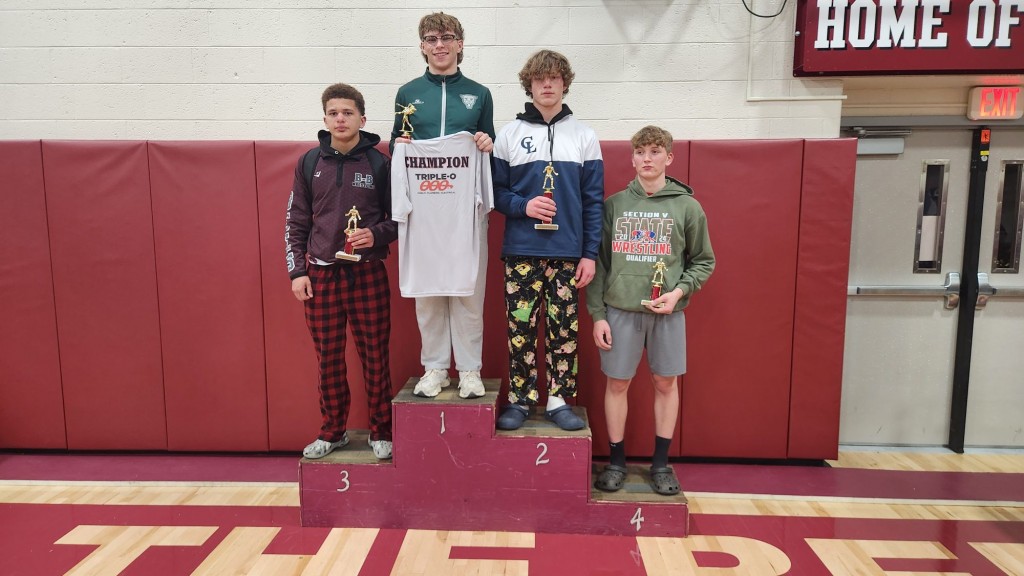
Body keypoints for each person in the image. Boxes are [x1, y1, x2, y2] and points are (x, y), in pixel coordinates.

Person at [587, 125, 716, 495]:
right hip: (620, 311)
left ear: (669, 158)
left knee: (665, 383)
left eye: (655, 152)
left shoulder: (688, 207)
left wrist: (678, 293)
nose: (647, 159)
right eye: (641, 152)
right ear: (632, 159)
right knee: (617, 383)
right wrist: (598, 315)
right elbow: (598, 264)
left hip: (667, 313)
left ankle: (661, 464)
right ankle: (616, 461)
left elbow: (703, 261)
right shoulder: (614, 206)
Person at [492, 50, 604, 431]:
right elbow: (496, 194)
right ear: (529, 84)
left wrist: (589, 254)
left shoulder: (585, 136)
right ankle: (520, 399)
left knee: (564, 331)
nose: (547, 84)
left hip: (568, 254)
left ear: (564, 83)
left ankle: (559, 400)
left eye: (554, 78)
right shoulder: (509, 135)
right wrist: (525, 206)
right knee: (520, 328)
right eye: (540, 78)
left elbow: (593, 201)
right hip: (522, 250)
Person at [285, 83, 398, 460]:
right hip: (320, 276)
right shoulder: (309, 162)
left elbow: (399, 220)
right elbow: (295, 221)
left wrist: (375, 234)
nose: (340, 119)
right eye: (333, 113)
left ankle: (382, 431)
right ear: (325, 119)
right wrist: (297, 272)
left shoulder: (380, 164)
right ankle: (333, 431)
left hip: (367, 273)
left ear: (362, 119)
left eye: (347, 113)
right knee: (328, 359)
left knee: (375, 357)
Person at [390, 12, 495, 400]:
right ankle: (434, 367)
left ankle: (469, 369)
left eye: (447, 37)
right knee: (428, 291)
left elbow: (489, 141)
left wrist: (485, 142)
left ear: (459, 44)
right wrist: (399, 145)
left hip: (465, 209)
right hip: (424, 211)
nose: (440, 45)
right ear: (422, 46)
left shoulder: (479, 93)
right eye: (431, 39)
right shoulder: (408, 93)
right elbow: (396, 143)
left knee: (469, 292)